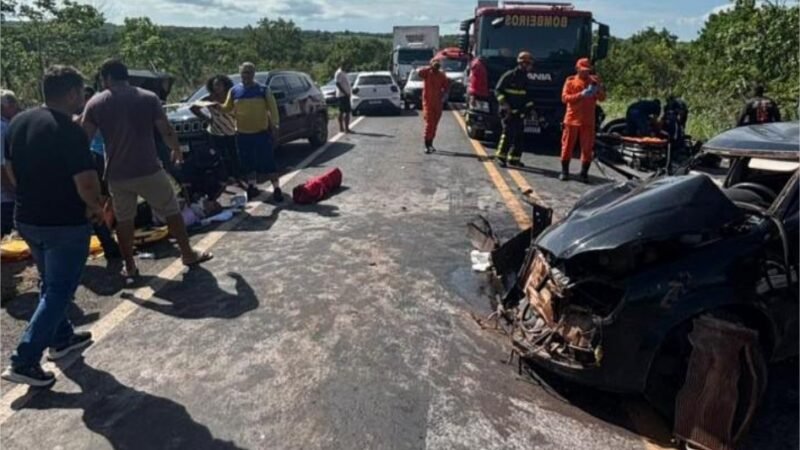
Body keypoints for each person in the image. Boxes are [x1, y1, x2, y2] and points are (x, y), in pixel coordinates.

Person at [1, 66, 103, 386]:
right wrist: (96, 207)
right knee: (60, 290)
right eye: (81, 93)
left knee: (50, 281)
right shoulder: (69, 130)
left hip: (29, 217)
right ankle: (25, 359)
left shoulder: (18, 122)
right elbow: (86, 181)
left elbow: (11, 170)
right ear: (72, 92)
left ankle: (61, 338)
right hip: (64, 221)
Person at [81, 59, 212, 283]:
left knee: (124, 220)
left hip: (117, 174)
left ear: (107, 78)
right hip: (148, 168)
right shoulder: (147, 98)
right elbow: (165, 130)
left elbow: (84, 138)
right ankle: (187, 254)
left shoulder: (95, 103)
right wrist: (177, 150)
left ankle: (130, 267)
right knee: (171, 210)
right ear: (126, 76)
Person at [213, 62, 281, 202]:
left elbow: (273, 110)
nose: (246, 75)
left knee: (268, 163)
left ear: (254, 73)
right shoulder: (234, 91)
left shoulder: (263, 90)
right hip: (243, 135)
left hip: (261, 133)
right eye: (244, 72)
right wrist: (216, 106)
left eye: (249, 72)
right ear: (240, 73)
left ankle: (277, 189)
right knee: (248, 164)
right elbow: (227, 108)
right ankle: (252, 187)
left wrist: (275, 126)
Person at [80, 86, 120, 259]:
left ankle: (108, 230)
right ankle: (107, 231)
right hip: (95, 158)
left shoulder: (92, 114)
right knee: (102, 198)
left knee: (105, 197)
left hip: (100, 157)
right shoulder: (86, 115)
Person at [560, 58, 606, 182]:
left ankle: (584, 173)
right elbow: (564, 98)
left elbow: (602, 98)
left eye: (587, 70)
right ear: (577, 69)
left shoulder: (594, 81)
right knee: (567, 146)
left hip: (588, 121)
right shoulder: (570, 81)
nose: (586, 73)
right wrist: (581, 94)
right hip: (572, 119)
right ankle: (565, 171)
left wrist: (598, 90)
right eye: (583, 70)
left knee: (587, 148)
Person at [190, 75, 239, 182]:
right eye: (214, 85)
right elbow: (193, 108)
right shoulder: (209, 98)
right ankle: (224, 177)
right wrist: (207, 118)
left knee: (233, 154)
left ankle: (236, 175)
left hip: (231, 130)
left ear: (225, 85)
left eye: (219, 84)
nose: (217, 87)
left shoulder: (231, 97)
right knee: (220, 155)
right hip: (216, 132)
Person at [495, 51, 536, 167]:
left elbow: (527, 96)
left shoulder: (526, 79)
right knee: (507, 134)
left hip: (520, 112)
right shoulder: (509, 75)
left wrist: (530, 109)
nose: (529, 66)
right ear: (521, 63)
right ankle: (501, 157)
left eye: (529, 64)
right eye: (527, 64)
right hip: (507, 111)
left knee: (519, 136)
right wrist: (504, 104)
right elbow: (497, 90)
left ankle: (514, 158)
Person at [418, 59, 449, 154]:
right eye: (435, 65)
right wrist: (430, 67)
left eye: (438, 65)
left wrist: (444, 95)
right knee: (430, 124)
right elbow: (419, 72)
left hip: (437, 103)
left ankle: (431, 143)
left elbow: (446, 86)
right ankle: (426, 145)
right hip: (428, 103)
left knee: (434, 125)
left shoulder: (441, 75)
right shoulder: (427, 73)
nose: (436, 67)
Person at [1, 89, 20, 236]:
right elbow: (2, 165)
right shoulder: (3, 129)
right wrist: (12, 190)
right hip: (4, 197)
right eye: (13, 104)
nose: (17, 107)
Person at [334, 61, 352, 133]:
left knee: (346, 111)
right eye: (346, 65)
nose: (347, 66)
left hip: (346, 95)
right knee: (343, 111)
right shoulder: (339, 73)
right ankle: (343, 128)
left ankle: (346, 128)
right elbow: (337, 84)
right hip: (342, 95)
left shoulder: (344, 73)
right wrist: (345, 92)